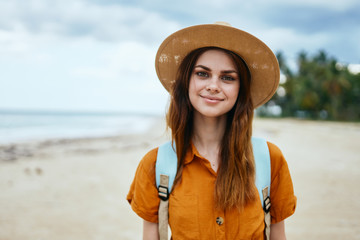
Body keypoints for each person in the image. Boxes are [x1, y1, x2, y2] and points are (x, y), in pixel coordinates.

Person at [127, 22, 296, 240]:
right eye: (202, 74)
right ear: (186, 81)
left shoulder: (270, 159)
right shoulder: (155, 165)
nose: (214, 85)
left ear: (240, 89)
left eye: (227, 77)